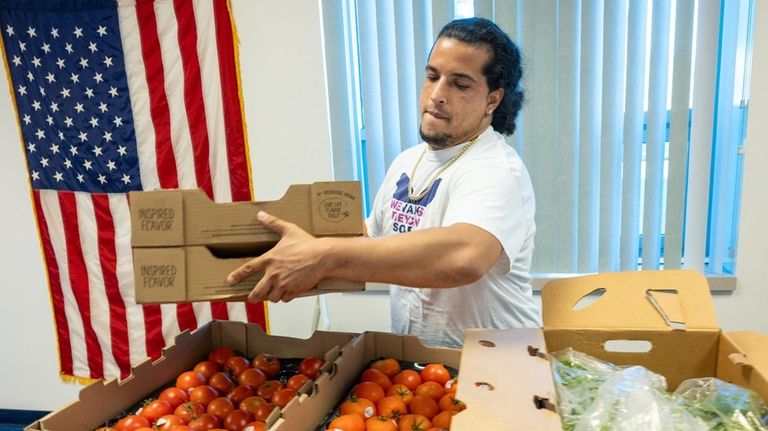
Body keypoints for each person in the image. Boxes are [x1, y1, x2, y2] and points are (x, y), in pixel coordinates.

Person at [227, 17, 539, 348]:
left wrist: (323, 255)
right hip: (423, 372)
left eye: (460, 85)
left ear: (493, 99)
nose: (436, 95)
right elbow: (370, 242)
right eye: (432, 76)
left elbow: (465, 256)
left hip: (498, 368)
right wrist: (291, 254)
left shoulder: (497, 169)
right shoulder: (407, 161)